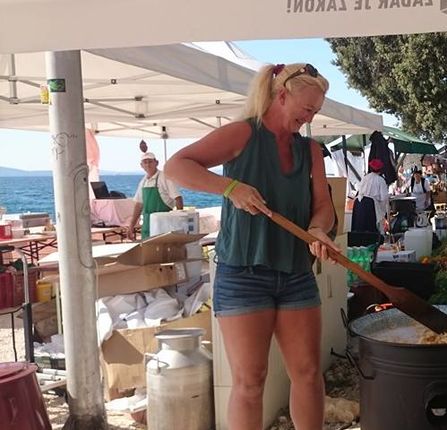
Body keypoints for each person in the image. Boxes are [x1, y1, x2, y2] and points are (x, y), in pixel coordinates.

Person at [164, 63, 337, 430]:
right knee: (250, 381)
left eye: (316, 113)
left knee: (308, 373)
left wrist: (319, 230)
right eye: (305, 109)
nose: (308, 120)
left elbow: (323, 206)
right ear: (282, 95)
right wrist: (230, 188)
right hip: (242, 272)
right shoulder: (243, 134)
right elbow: (177, 166)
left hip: (295, 272)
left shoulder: (311, 150)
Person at [126, 152, 183, 239]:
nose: (148, 164)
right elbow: (138, 205)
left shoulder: (165, 177)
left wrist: (180, 222)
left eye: (150, 161)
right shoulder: (143, 182)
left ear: (156, 163)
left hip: (163, 224)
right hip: (147, 225)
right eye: (145, 162)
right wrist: (131, 226)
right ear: (141, 165)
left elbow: (178, 198)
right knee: (147, 250)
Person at [351, 158, 390, 233]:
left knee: (360, 229)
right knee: (371, 231)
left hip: (359, 205)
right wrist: (384, 214)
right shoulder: (381, 180)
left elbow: (360, 191)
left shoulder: (365, 178)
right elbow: (384, 198)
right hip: (371, 206)